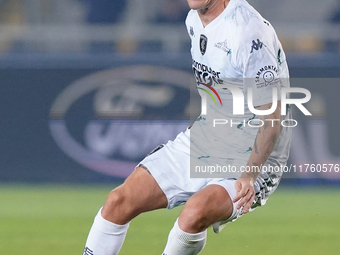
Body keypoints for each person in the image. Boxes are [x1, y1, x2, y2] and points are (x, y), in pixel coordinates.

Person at [82, 0, 291, 254]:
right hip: (207, 139)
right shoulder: (193, 19)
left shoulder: (249, 32)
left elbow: (272, 118)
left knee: (194, 213)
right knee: (118, 201)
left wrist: (249, 175)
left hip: (251, 159)